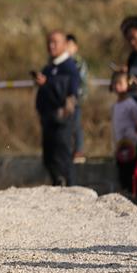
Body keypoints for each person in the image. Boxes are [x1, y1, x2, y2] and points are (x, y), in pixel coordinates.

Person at [33, 30, 80, 186]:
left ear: (65, 44)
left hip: (62, 122)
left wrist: (47, 83)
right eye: (49, 42)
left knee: (63, 159)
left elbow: (70, 95)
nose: (51, 46)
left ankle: (71, 193)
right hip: (48, 120)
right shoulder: (49, 67)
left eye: (55, 42)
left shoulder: (69, 67)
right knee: (49, 159)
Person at [110, 71, 137, 192]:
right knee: (122, 174)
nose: (117, 86)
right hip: (120, 145)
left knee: (131, 173)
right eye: (115, 83)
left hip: (132, 145)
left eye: (120, 83)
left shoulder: (131, 104)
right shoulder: (115, 106)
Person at [66, 34, 89, 163]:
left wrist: (76, 97)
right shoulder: (62, 62)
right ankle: (68, 150)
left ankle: (79, 151)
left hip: (77, 100)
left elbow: (82, 82)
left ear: (76, 47)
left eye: (70, 46)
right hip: (64, 102)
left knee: (76, 125)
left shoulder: (79, 63)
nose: (68, 49)